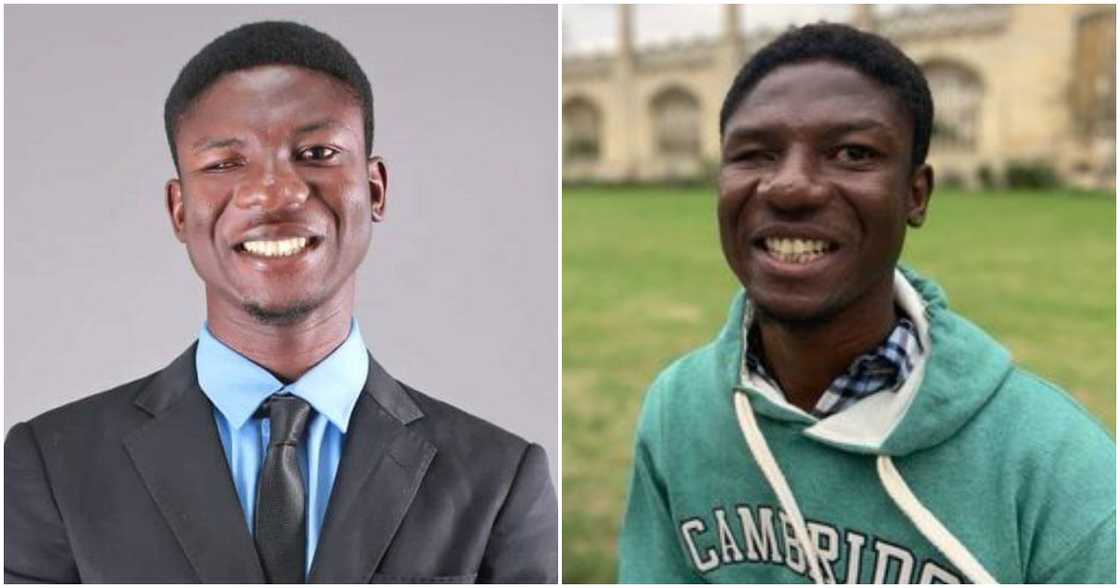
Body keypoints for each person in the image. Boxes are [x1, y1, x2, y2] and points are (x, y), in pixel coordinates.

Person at [5, 21, 557, 583]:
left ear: (374, 190)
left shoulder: (499, 480)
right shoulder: (54, 465)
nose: (275, 192)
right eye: (224, 163)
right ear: (179, 208)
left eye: (317, 152)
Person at [618, 23, 1114, 584]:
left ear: (916, 194)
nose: (790, 187)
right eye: (755, 154)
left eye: (853, 153)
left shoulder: (1062, 469)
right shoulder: (677, 411)